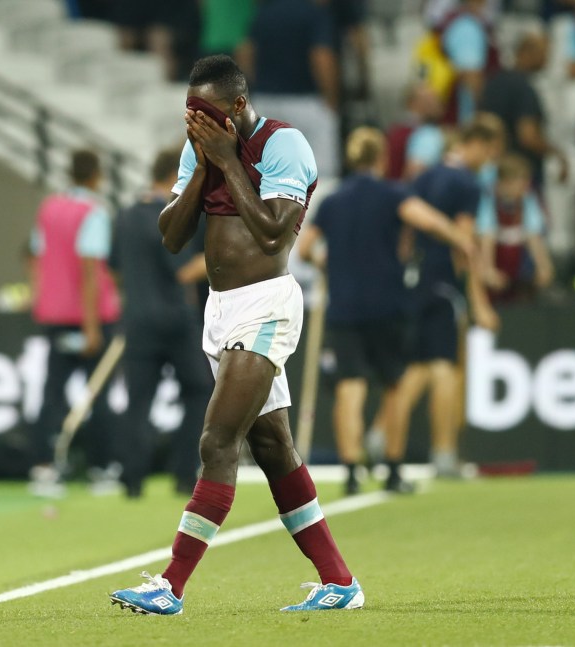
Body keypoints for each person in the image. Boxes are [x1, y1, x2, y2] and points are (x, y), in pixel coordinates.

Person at [110, 55, 362, 615]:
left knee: (216, 441)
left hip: (267, 304)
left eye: (210, 112)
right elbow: (171, 236)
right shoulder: (199, 150)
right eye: (191, 113)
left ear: (239, 106)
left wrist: (226, 162)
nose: (198, 121)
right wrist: (203, 167)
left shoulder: (283, 144)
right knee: (274, 449)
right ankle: (339, 582)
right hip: (219, 312)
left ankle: (171, 585)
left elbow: (274, 234)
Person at [298, 128, 475, 496]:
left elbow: (304, 249)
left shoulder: (332, 201)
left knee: (350, 389)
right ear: (381, 159)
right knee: (393, 388)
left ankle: (350, 474)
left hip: (344, 309)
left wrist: (323, 262)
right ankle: (393, 471)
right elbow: (428, 221)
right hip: (388, 307)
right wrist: (460, 239)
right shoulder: (393, 194)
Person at [398, 118, 501, 479]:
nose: (489, 160)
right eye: (489, 151)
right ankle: (444, 453)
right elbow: (465, 246)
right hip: (445, 284)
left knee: (419, 364)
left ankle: (382, 436)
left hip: (417, 279)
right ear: (476, 141)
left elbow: (407, 230)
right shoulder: (469, 185)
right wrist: (479, 302)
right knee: (446, 367)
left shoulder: (425, 177)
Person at [109, 148, 212, 498]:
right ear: (174, 175)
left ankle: (132, 479)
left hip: (137, 320)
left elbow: (115, 269)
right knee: (199, 391)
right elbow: (183, 270)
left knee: (138, 401)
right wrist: (222, 254)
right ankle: (183, 473)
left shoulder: (124, 215)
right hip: (175, 320)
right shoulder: (169, 214)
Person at [28, 149, 122, 495]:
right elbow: (88, 270)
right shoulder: (93, 213)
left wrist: (38, 295)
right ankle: (101, 471)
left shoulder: (49, 207)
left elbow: (35, 253)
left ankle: (42, 469)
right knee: (99, 395)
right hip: (89, 319)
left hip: (54, 317)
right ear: (96, 176)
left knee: (52, 394)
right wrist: (92, 326)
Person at [237, 0, 341, 177]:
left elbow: (245, 53)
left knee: (266, 174)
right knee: (321, 175)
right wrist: (331, 99)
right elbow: (322, 57)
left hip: (265, 103)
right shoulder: (314, 14)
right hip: (307, 102)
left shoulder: (263, 13)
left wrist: (257, 86)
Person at [480, 33, 569, 187]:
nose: (546, 60)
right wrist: (557, 154)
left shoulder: (494, 80)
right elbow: (528, 136)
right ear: (527, 52)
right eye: (544, 54)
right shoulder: (523, 88)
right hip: (519, 173)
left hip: (492, 168)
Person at [478, 153, 556, 303]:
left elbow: (534, 237)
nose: (526, 187)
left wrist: (545, 267)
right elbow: (486, 238)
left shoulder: (528, 201)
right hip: (494, 272)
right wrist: (488, 271)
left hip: (518, 274)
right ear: (504, 183)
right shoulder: (488, 200)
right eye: (521, 182)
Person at [387, 82, 447, 181]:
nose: (437, 104)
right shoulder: (423, 134)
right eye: (430, 100)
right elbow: (413, 173)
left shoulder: (397, 131)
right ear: (413, 103)